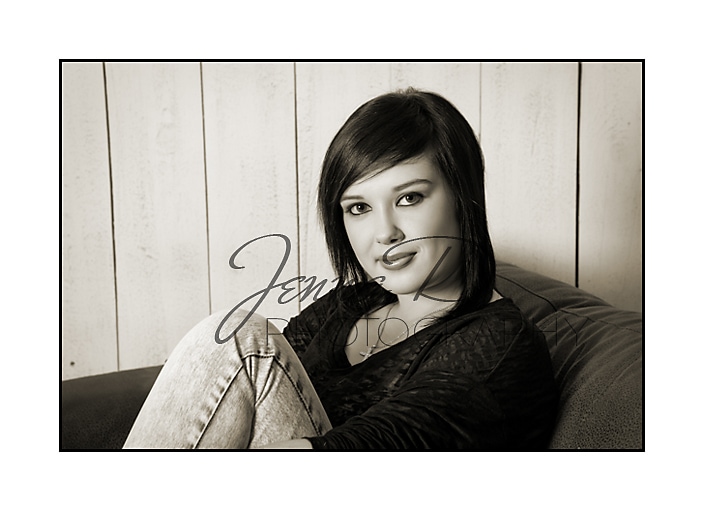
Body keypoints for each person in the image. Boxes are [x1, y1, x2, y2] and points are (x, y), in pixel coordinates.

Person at [123, 88, 558, 450]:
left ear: (463, 197)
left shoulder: (498, 343)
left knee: (241, 339)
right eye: (359, 208)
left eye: (409, 198)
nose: (384, 232)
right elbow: (249, 396)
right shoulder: (351, 304)